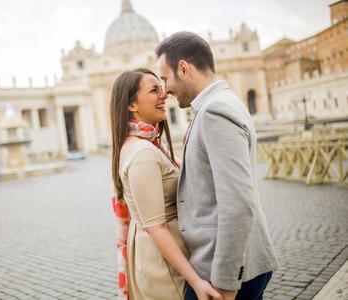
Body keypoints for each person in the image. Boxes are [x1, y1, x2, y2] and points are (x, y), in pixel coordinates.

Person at [156, 32, 279, 300]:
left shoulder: (214, 111)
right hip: (231, 265)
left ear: (184, 69)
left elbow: (237, 202)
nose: (164, 89)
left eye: (165, 79)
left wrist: (225, 282)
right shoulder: (218, 103)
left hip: (225, 273)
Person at [110, 68, 222, 300]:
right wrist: (197, 282)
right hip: (166, 268)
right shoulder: (143, 152)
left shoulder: (148, 144)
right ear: (132, 105)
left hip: (165, 258)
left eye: (161, 88)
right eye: (154, 90)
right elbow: (155, 228)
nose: (164, 95)